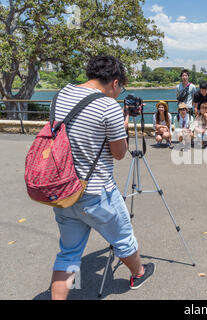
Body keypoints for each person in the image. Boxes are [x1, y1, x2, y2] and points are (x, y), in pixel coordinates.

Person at [50, 55, 154, 300]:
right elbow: (119, 154)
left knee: (68, 254)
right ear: (115, 83)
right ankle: (138, 273)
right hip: (96, 191)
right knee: (123, 239)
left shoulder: (61, 95)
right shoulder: (108, 107)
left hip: (64, 189)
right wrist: (123, 122)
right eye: (121, 88)